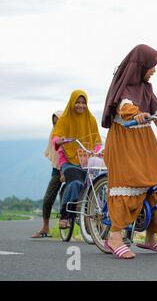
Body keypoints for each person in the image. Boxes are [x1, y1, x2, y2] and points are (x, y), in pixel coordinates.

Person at [101, 44, 157, 259]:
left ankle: (150, 237)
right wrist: (135, 113)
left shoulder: (146, 88)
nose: (154, 70)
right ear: (141, 65)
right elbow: (124, 107)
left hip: (145, 140)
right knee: (130, 184)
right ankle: (115, 236)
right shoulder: (124, 87)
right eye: (152, 66)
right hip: (125, 140)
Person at [52, 90, 102, 229]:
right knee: (75, 183)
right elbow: (56, 137)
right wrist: (60, 140)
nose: (80, 105)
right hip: (68, 161)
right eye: (77, 102)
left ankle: (93, 216)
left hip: (87, 160)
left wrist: (96, 151)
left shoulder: (90, 119)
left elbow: (97, 139)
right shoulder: (65, 119)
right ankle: (65, 216)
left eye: (83, 103)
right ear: (72, 103)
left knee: (96, 184)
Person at [30, 111, 64, 238]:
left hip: (71, 166)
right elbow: (56, 153)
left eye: (59, 122)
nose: (56, 125)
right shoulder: (54, 135)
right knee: (48, 198)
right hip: (57, 168)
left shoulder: (69, 132)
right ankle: (45, 227)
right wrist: (60, 171)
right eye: (54, 123)